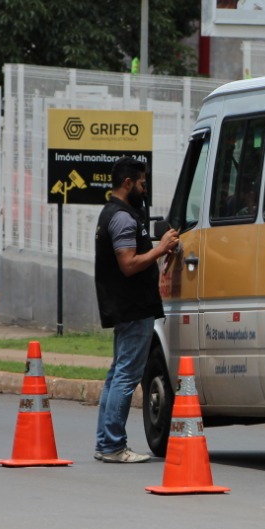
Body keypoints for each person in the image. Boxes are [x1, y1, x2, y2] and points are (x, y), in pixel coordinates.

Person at [93, 156, 179, 463]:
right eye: (142, 183)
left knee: (117, 373)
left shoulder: (114, 214)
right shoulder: (123, 218)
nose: (145, 189)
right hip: (132, 307)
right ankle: (113, 444)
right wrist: (160, 248)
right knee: (127, 376)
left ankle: (106, 442)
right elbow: (128, 264)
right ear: (127, 183)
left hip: (127, 307)